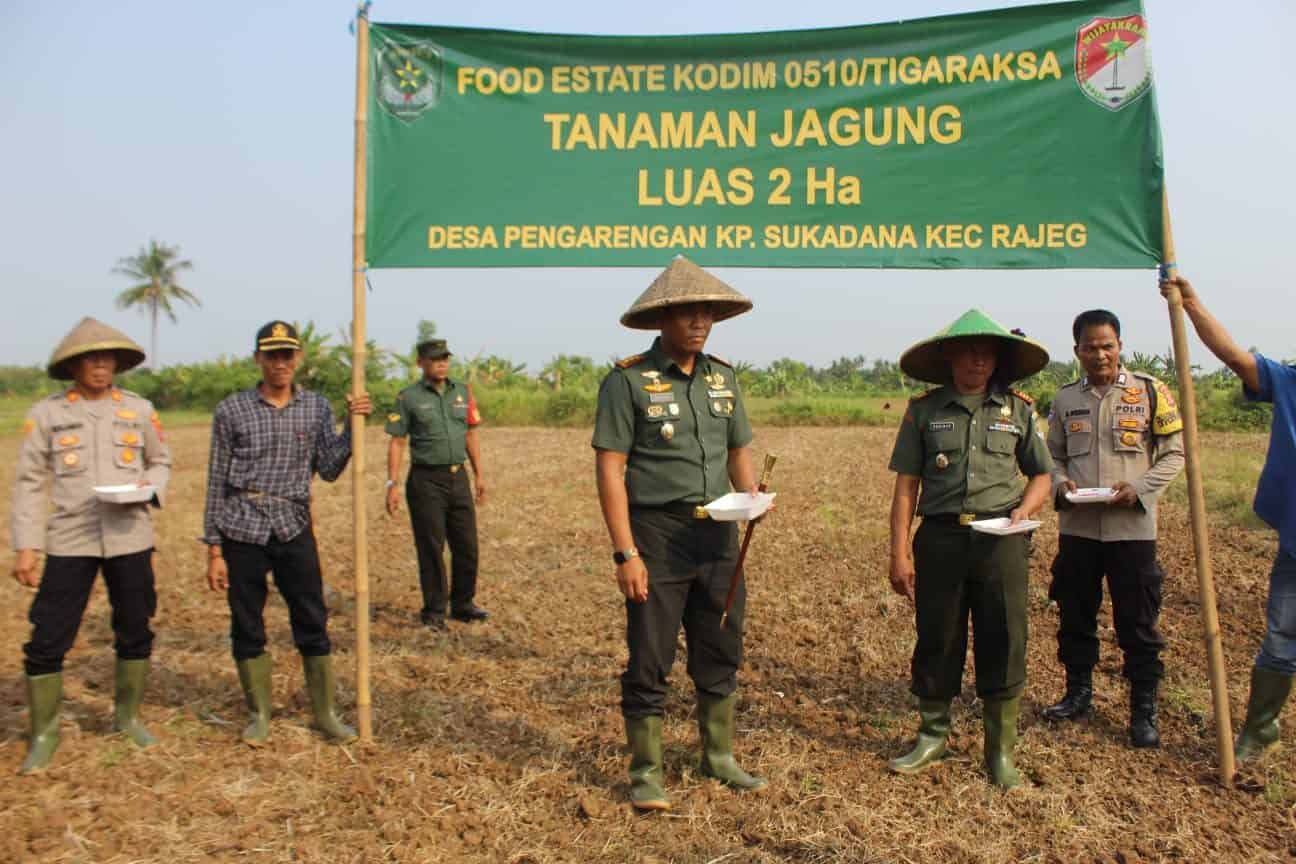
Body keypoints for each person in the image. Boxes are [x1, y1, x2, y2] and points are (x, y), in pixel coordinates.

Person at [592, 255, 767, 811]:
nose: (699, 322)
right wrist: (626, 552)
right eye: (688, 312)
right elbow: (609, 469)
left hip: (717, 533)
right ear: (662, 319)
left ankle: (717, 755)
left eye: (707, 313)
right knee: (649, 655)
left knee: (720, 645)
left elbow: (737, 448)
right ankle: (646, 769)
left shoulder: (724, 377)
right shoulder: (626, 382)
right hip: (657, 536)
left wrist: (751, 500)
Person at [886, 310, 1053, 788]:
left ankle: (999, 752)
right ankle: (931, 736)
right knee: (938, 636)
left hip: (1001, 539)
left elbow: (1042, 474)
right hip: (941, 539)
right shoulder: (925, 410)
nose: (979, 360)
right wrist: (898, 553)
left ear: (997, 358)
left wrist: (1026, 509)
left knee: (1004, 637)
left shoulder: (1018, 410)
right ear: (949, 356)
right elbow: (906, 488)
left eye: (988, 352)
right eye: (969, 350)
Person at [10, 318, 171, 774]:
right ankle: (44, 733)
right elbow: (29, 483)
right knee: (48, 635)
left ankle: (127, 717)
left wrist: (147, 485)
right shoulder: (48, 415)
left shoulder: (138, 410)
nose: (100, 365)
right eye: (90, 358)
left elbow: (162, 462)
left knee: (135, 626)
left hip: (129, 535)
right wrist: (26, 546)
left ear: (117, 363)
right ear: (74, 365)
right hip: (70, 538)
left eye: (107, 358)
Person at [202, 321, 371, 747]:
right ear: (258, 358)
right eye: (271, 354)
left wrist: (353, 428)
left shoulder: (315, 408)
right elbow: (215, 480)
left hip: (294, 525)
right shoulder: (232, 411)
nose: (280, 363)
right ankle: (258, 714)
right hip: (242, 525)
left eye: (287, 354)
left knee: (311, 616)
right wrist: (213, 548)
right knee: (247, 620)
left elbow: (329, 468)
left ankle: (325, 713)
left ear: (298, 359)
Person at [1162, 274, 1296, 764]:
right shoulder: (1290, 383)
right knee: (1282, 636)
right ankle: (1260, 731)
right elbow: (1235, 357)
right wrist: (1192, 305)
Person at [1042, 309, 1185, 747]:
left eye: (1107, 345)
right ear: (1077, 351)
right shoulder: (1065, 400)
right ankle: (1078, 694)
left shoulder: (1151, 392)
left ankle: (1143, 710)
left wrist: (1139, 488)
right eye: (1090, 347)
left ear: (1120, 346)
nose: (1099, 354)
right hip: (1079, 529)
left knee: (1138, 622)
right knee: (1075, 611)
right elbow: (1051, 456)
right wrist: (1060, 482)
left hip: (1132, 531)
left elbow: (1174, 455)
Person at [384, 338, 488, 630]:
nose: (441, 363)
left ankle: (463, 604)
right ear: (420, 363)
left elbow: (470, 435)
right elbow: (397, 441)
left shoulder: (462, 392)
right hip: (425, 480)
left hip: (458, 477)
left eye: (445, 358)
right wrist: (391, 483)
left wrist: (479, 474)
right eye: (434, 358)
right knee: (431, 547)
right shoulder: (409, 398)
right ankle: (434, 611)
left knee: (467, 546)